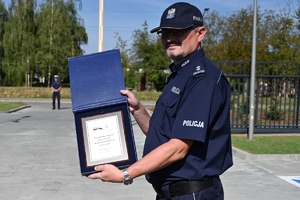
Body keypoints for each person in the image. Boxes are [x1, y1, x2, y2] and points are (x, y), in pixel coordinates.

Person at [88, 2, 233, 199]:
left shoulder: (203, 80)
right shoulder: (181, 74)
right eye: (165, 33)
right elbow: (162, 134)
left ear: (200, 33)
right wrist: (138, 109)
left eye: (178, 31)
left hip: (192, 193)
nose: (170, 38)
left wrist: (125, 174)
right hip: (171, 194)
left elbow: (178, 147)